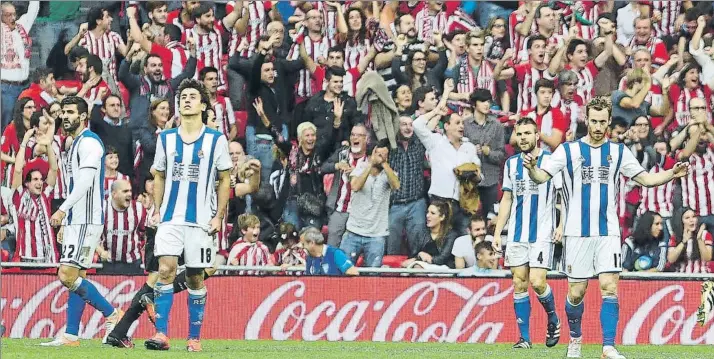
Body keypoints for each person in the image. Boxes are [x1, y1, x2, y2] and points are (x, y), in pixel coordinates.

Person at [524, 96, 689, 359]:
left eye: (603, 121)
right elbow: (542, 176)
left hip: (608, 232)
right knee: (576, 293)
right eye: (594, 121)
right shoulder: (569, 150)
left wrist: (672, 173)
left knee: (610, 286)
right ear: (587, 120)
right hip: (576, 232)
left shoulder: (618, 152)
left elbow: (645, 179)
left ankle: (608, 346)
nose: (598, 126)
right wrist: (532, 169)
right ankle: (575, 340)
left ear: (609, 122)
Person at [144, 79, 232, 352]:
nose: (186, 100)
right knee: (166, 269)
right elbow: (158, 175)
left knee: (195, 277)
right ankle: (161, 334)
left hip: (201, 221)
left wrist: (218, 217)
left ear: (203, 105)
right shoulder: (166, 138)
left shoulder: (216, 139)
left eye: (193, 96)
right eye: (183, 96)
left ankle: (194, 337)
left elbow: (225, 179)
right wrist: (157, 209)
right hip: (170, 218)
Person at [47, 96, 124, 346]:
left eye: (70, 112)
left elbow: (86, 182)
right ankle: (71, 334)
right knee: (76, 275)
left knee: (67, 275)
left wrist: (63, 211)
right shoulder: (74, 142)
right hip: (76, 219)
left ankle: (113, 314)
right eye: (63, 112)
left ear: (82, 116)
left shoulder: (90, 143)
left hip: (86, 218)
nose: (65, 116)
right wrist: (67, 219)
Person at [493, 117, 563, 349]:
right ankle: (524, 339)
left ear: (537, 136)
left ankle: (552, 318)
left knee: (537, 281)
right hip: (517, 233)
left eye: (527, 134)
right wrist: (496, 232)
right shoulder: (511, 164)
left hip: (543, 232)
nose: (523, 138)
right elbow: (507, 199)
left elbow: (563, 197)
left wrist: (561, 226)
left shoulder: (551, 161)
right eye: (519, 134)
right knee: (519, 282)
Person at [340, 139, 400, 268]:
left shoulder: (388, 173)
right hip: (353, 232)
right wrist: (370, 164)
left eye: (385, 155)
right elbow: (355, 186)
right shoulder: (359, 169)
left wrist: (384, 164)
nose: (382, 158)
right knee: (343, 271)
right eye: (379, 154)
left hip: (376, 235)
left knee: (373, 276)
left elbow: (396, 185)